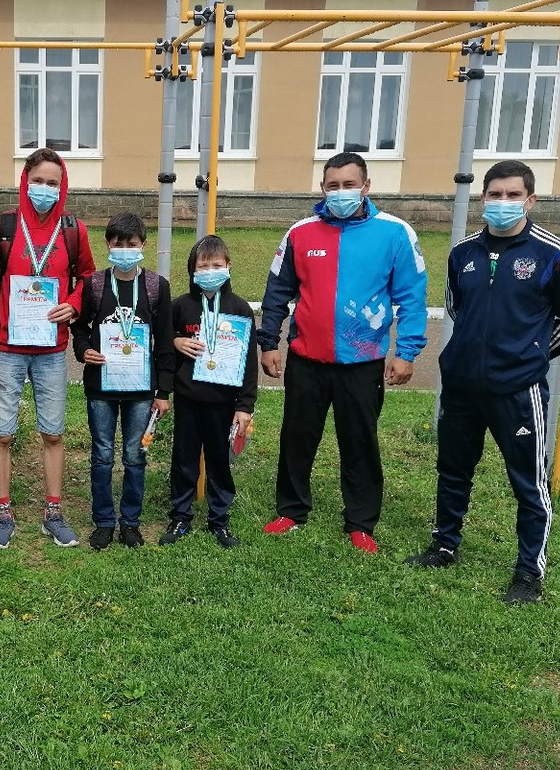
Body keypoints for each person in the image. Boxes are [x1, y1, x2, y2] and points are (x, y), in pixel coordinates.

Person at [405, 160, 560, 605]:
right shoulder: (462, 253)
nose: (502, 202)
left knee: (529, 482)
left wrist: (528, 355)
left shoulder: (556, 254)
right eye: (495, 194)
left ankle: (528, 572)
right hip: (462, 385)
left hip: (518, 391)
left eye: (512, 195)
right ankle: (445, 544)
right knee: (453, 470)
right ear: (483, 198)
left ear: (530, 200)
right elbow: (457, 308)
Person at [258, 151, 427, 555]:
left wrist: (406, 351)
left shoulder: (395, 233)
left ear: (366, 186)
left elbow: (412, 297)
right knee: (297, 437)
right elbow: (277, 292)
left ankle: (361, 522)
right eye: (333, 186)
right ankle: (292, 511)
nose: (341, 192)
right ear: (322, 188)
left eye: (349, 185)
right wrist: (269, 342)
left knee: (359, 443)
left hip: (362, 363)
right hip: (306, 360)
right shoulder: (300, 233)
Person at [0, 148, 95, 548]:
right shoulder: (2, 227)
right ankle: (4, 514)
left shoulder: (73, 231)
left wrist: (75, 304)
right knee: (1, 434)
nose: (44, 189)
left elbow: (87, 278)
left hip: (50, 350)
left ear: (63, 187)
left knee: (53, 433)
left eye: (52, 183)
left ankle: (53, 513)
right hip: (6, 348)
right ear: (24, 182)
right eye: (37, 181)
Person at [71, 212, 175, 550]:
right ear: (108, 245)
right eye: (119, 244)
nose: (125, 250)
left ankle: (130, 522)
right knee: (102, 454)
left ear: (143, 245)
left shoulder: (157, 286)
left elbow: (165, 341)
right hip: (101, 385)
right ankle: (103, 521)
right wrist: (84, 350)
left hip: (141, 390)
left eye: (132, 244)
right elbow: (79, 327)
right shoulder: (94, 284)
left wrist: (163, 391)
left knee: (135, 455)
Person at [162, 234, 258, 549]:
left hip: (224, 402)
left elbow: (249, 361)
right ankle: (180, 516)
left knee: (219, 462)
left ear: (228, 266)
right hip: (188, 399)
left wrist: (245, 405)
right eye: (203, 266)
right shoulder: (180, 306)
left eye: (216, 265)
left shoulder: (240, 308)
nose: (210, 271)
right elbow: (162, 344)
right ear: (192, 270)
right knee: (184, 460)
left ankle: (219, 520)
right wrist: (176, 341)